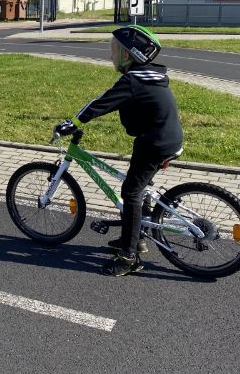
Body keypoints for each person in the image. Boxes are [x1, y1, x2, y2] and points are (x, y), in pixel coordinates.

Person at [59, 25, 183, 277]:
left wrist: (73, 122)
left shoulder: (133, 81)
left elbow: (101, 103)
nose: (111, 55)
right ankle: (137, 238)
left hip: (155, 143)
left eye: (115, 50)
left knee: (131, 192)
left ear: (128, 55)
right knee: (139, 186)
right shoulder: (150, 76)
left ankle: (128, 257)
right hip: (164, 139)